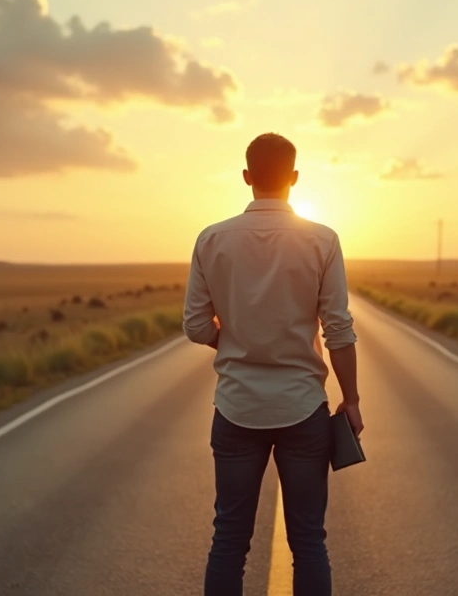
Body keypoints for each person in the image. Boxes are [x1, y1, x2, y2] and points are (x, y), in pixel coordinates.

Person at [183, 132, 363, 596]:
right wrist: (353, 399)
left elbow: (196, 326)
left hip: (236, 407)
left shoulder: (211, 238)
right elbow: (338, 329)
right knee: (308, 542)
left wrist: (237, 340)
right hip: (303, 410)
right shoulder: (322, 240)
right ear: (295, 178)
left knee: (229, 541)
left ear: (247, 178)